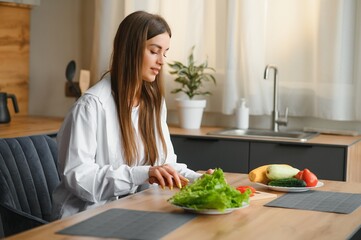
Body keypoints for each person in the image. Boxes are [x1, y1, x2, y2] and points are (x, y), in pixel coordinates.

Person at [51, 11, 211, 220]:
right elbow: (79, 179)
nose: (162, 61)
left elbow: (165, 165)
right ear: (131, 50)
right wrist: (143, 173)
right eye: (155, 51)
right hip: (85, 218)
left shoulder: (153, 103)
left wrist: (197, 179)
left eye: (165, 53)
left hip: (131, 212)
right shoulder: (91, 106)